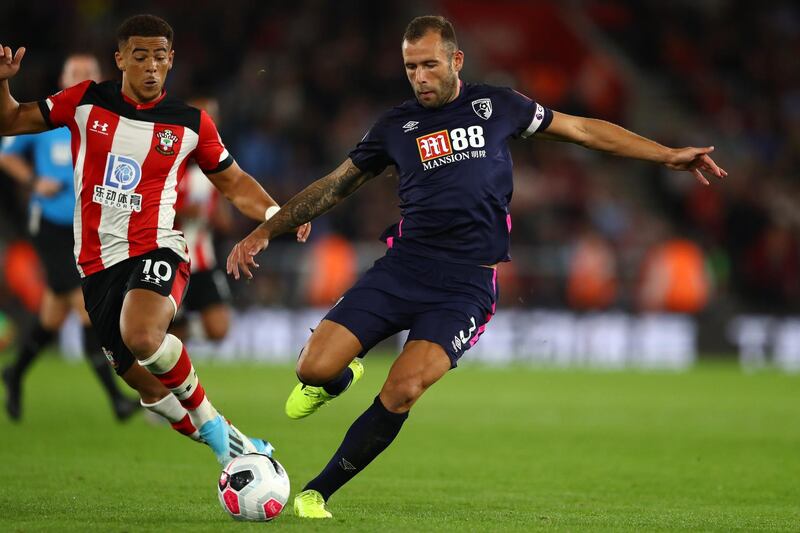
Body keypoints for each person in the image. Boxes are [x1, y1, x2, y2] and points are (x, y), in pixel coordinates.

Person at [227, 15, 727, 518]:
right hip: (404, 267)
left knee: (403, 390)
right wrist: (266, 229)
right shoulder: (395, 127)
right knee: (312, 367)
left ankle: (317, 492)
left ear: (455, 60)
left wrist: (665, 155)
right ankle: (337, 379)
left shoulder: (498, 106)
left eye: (428, 65)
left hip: (466, 286)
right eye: (410, 67)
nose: (419, 76)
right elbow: (335, 184)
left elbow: (580, 129)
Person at [0, 14, 310, 466]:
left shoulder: (190, 123)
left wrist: (274, 214)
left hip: (157, 246)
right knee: (149, 388)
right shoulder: (84, 102)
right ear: (119, 58)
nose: (150, 66)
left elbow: (236, 183)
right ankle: (232, 442)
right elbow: (9, 120)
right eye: (140, 56)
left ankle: (225, 447)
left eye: (160, 57)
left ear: (171, 63)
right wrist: (2, 83)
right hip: (94, 265)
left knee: (143, 335)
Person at [0, 53, 140, 422]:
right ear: (63, 77)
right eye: (74, 73)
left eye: (88, 74)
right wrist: (34, 181)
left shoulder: (107, 119)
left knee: (54, 311)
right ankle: (117, 400)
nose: (81, 78)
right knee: (85, 306)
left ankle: (14, 374)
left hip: (87, 227)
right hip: (48, 224)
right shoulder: (49, 116)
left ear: (100, 78)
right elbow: (6, 153)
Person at [170, 96, 234, 343]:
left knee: (219, 329)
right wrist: (184, 212)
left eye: (213, 118)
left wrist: (218, 217)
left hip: (203, 260)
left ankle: (181, 327)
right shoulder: (171, 163)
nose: (210, 123)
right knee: (175, 335)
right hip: (173, 258)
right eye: (204, 117)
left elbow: (225, 220)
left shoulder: (218, 166)